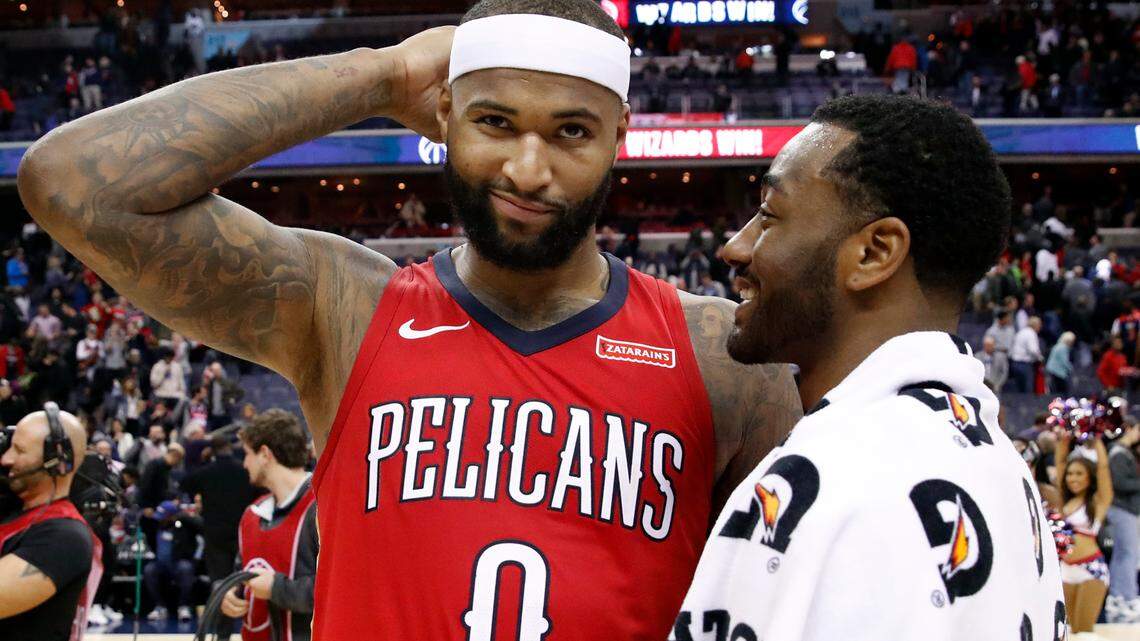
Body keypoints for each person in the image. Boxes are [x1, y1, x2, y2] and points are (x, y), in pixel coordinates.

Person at [16, 1, 802, 638]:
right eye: (495, 122)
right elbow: (70, 182)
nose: (528, 170)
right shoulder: (343, 306)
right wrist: (383, 75)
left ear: (619, 134)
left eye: (571, 131)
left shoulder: (723, 355)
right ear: (445, 111)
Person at [674, 94, 1063, 639]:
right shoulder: (1002, 465)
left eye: (769, 216)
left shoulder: (824, 478)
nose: (735, 248)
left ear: (875, 252)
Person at [0, 405, 101, 641]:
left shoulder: (64, 537)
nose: (6, 458)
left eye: (19, 450)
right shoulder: (14, 512)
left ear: (56, 462)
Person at [220, 410, 318, 641]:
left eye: (247, 454)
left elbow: (341, 591)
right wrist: (229, 592)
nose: (245, 464)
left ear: (265, 454)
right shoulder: (252, 514)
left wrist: (277, 589)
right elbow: (241, 573)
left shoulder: (322, 508)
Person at [182, 434, 260, 640]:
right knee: (249, 582)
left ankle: (222, 635)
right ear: (230, 448)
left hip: (215, 535)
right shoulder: (244, 470)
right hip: (242, 533)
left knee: (221, 585)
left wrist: (202, 460)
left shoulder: (206, 472)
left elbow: (185, 482)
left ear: (211, 451)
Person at [1055, 432, 1112, 633]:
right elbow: (1060, 463)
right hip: (1065, 570)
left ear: (1090, 476)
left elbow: (1103, 469)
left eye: (1079, 473)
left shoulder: (1098, 501)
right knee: (1070, 632)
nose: (1073, 478)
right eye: (1070, 474)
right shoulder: (1064, 502)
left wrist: (1096, 437)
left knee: (1084, 630)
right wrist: (1065, 437)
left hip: (1091, 570)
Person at [143, 499, 201, 623]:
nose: (161, 519)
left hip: (178, 562)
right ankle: (160, 607)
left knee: (186, 568)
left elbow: (200, 525)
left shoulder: (184, 526)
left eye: (164, 517)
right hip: (160, 564)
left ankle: (183, 606)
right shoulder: (155, 526)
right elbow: (142, 523)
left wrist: (182, 516)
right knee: (149, 570)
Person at [1105, 417, 1140, 622]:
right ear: (1128, 428)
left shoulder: (1123, 451)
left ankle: (1120, 597)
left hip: (1125, 509)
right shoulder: (1118, 452)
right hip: (1122, 508)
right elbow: (1119, 483)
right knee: (1127, 554)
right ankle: (1126, 597)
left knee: (1124, 554)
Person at [1009, 315, 1043, 393]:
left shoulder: (1021, 332)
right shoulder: (1031, 333)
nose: (1040, 327)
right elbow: (1033, 350)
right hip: (1024, 365)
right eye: (1039, 324)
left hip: (1015, 363)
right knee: (1028, 389)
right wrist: (1040, 358)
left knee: (1019, 389)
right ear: (1035, 325)